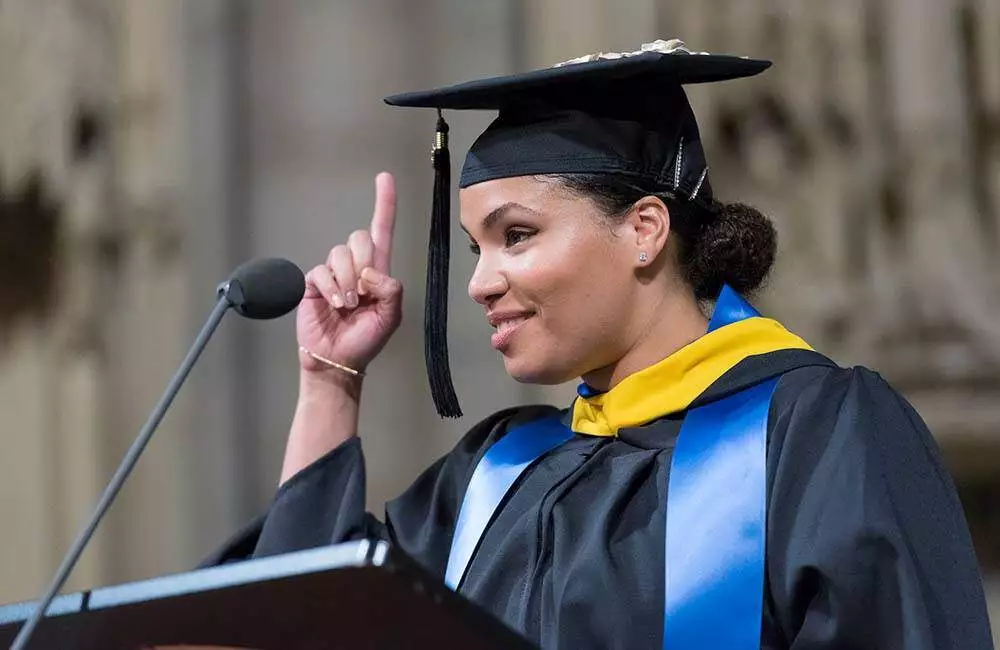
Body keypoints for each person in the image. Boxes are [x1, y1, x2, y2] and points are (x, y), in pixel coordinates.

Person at [207, 40, 994, 649]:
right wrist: (329, 379)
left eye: (517, 235)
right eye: (476, 248)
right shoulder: (497, 478)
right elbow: (300, 620)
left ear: (644, 230)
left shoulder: (816, 434)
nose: (480, 281)